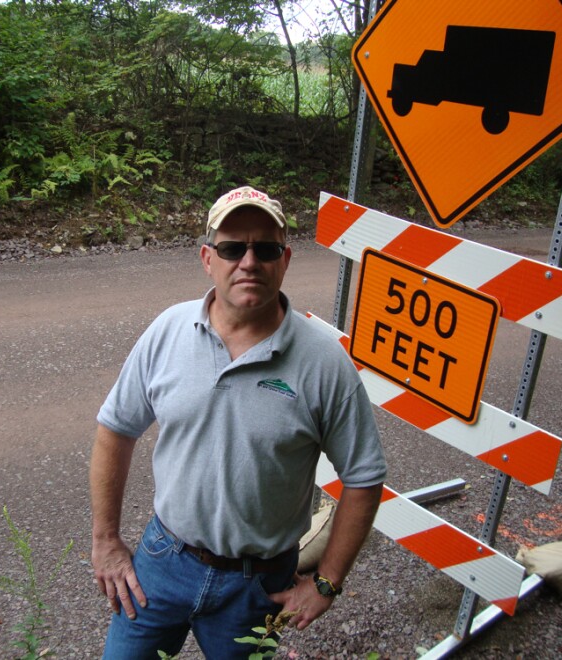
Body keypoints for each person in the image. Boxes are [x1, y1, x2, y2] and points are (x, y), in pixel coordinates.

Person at [89, 185, 386, 659]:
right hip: (164, 562)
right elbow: (116, 429)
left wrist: (327, 583)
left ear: (285, 260)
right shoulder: (168, 331)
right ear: (208, 259)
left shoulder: (324, 363)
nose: (249, 261)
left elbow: (365, 477)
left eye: (265, 248)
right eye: (232, 248)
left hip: (259, 588)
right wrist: (105, 542)